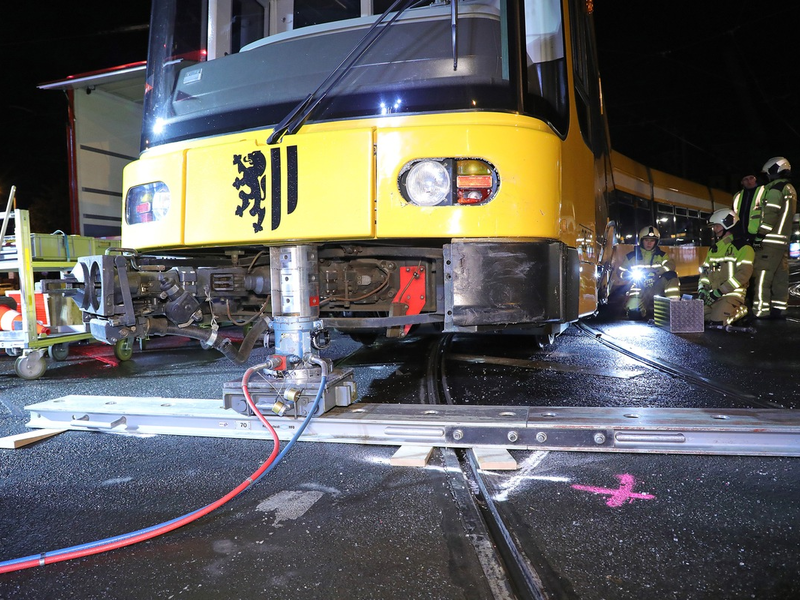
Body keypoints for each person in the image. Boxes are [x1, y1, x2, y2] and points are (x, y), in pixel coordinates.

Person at [751, 157, 797, 319]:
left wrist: (760, 235)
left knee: (763, 276)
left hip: (770, 241)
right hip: (782, 241)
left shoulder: (775, 189)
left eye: (768, 173)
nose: (767, 176)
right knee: (780, 277)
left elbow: (770, 214)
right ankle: (779, 308)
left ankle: (760, 311)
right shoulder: (789, 188)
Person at [698, 209, 754, 326]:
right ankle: (720, 312)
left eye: (717, 226)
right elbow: (704, 272)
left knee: (718, 322)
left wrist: (720, 291)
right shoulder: (713, 249)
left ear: (728, 225)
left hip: (732, 295)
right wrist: (702, 289)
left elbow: (743, 275)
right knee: (698, 318)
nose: (715, 229)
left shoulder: (743, 248)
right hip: (712, 296)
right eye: (714, 226)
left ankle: (743, 310)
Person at [618, 225, 681, 319]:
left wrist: (657, 273)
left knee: (671, 275)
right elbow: (620, 272)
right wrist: (628, 275)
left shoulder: (662, 256)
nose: (649, 243)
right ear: (641, 240)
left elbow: (671, 265)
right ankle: (645, 310)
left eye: (652, 240)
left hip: (656, 286)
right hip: (639, 288)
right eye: (646, 240)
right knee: (634, 314)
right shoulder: (631, 257)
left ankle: (674, 307)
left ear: (656, 242)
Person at [732, 174, 765, 246]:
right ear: (742, 182)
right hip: (741, 236)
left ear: (755, 179)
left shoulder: (764, 191)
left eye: (751, 178)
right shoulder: (737, 196)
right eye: (746, 179)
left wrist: (761, 234)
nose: (749, 181)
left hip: (759, 235)